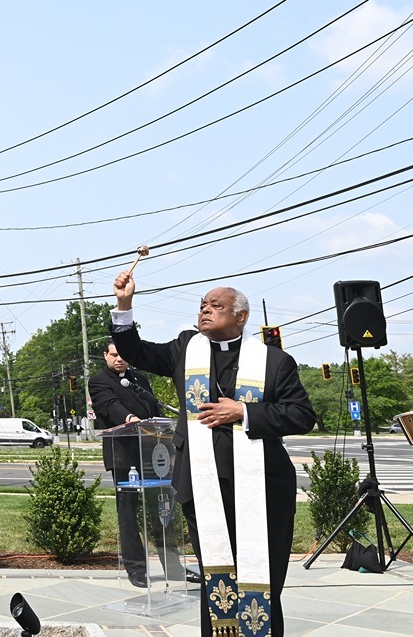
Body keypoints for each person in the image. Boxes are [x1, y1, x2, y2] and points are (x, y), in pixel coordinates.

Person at [110, 271, 316, 637]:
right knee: (216, 577)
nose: (205, 310)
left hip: (263, 488)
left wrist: (244, 413)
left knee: (262, 577)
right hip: (203, 486)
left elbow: (302, 415)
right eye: (202, 305)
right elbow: (135, 351)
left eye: (216, 305)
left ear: (241, 316)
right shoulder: (184, 350)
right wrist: (124, 305)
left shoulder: (274, 361)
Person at [89, 341, 189, 588]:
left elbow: (153, 407)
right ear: (105, 355)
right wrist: (131, 419)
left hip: (153, 453)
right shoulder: (99, 380)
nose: (119, 359)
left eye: (123, 354)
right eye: (114, 355)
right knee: (128, 514)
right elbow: (109, 405)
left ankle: (174, 569)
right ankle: (136, 568)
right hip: (124, 455)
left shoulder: (139, 380)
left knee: (162, 511)